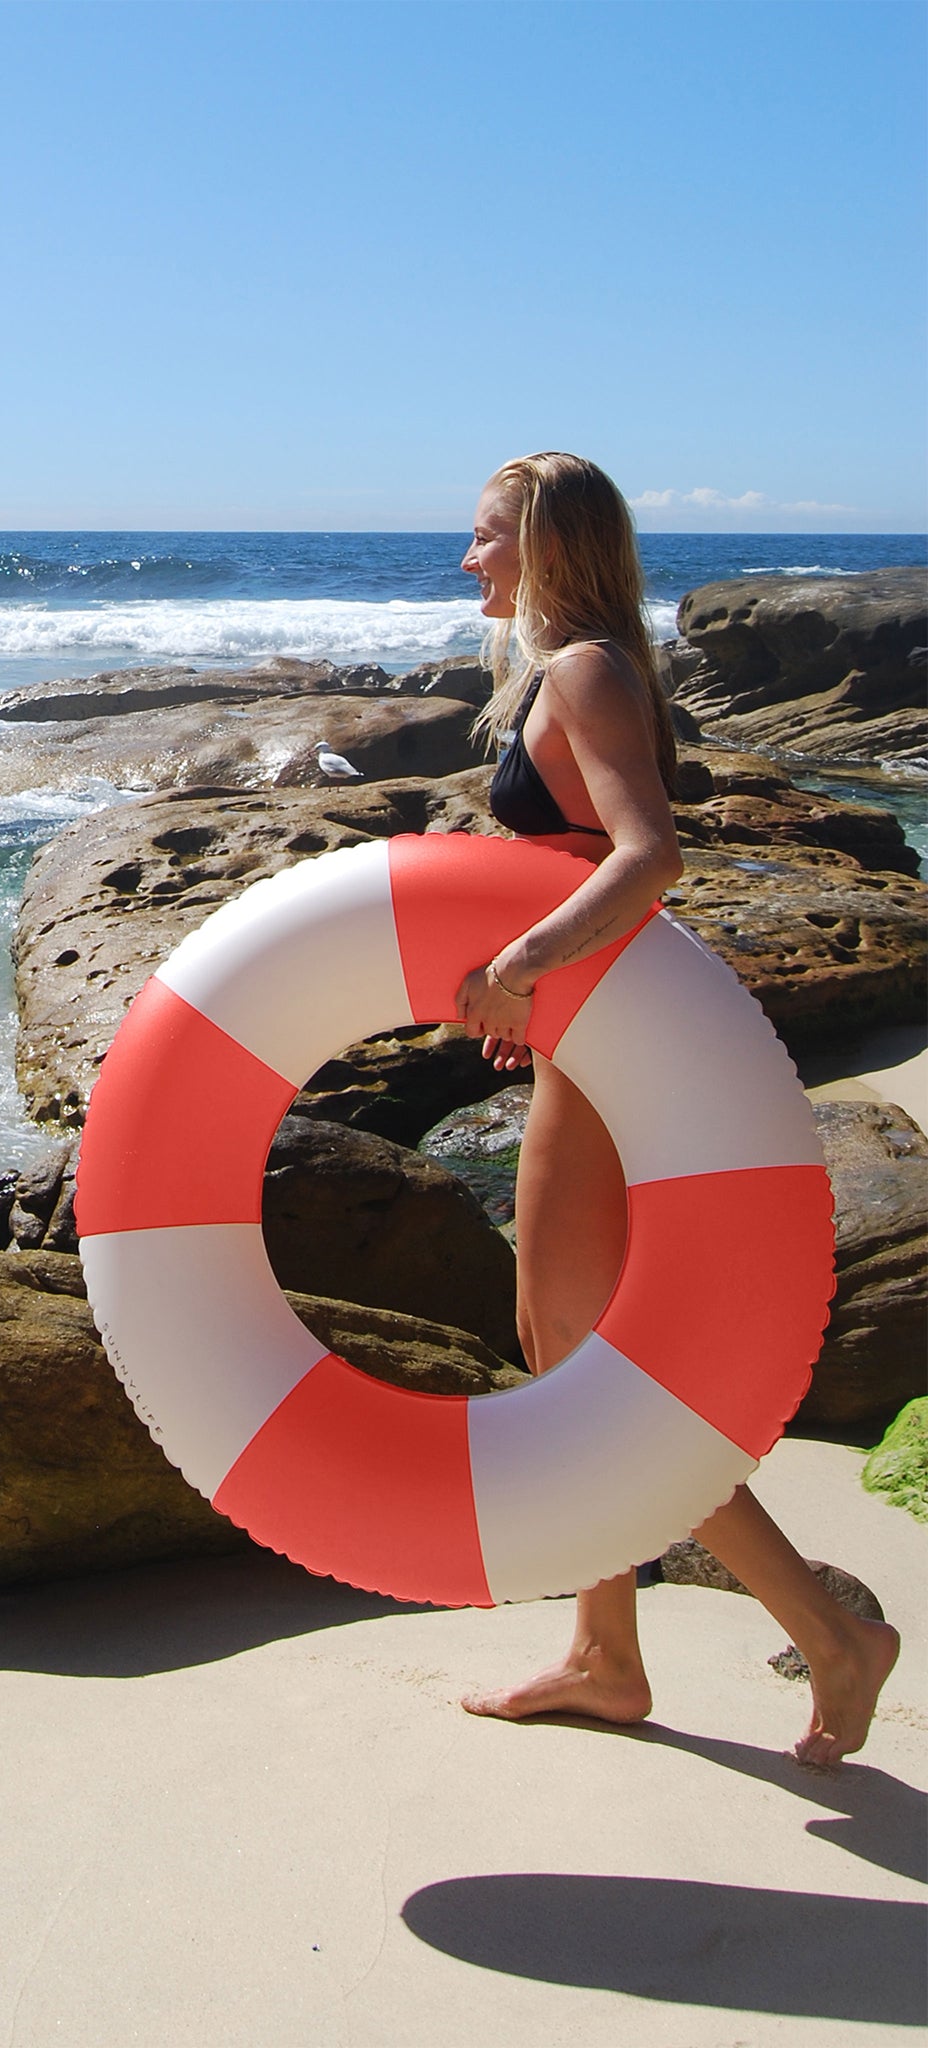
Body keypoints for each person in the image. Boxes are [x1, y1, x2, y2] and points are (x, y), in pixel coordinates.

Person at [450, 451, 900, 1765]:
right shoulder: (558, 671)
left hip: (615, 1042)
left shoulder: (584, 671)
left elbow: (650, 856)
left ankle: (828, 1631)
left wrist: (520, 968)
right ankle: (605, 1652)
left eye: (483, 539)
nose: (465, 561)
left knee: (583, 1363)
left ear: (541, 545)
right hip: (593, 1039)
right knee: (567, 1352)